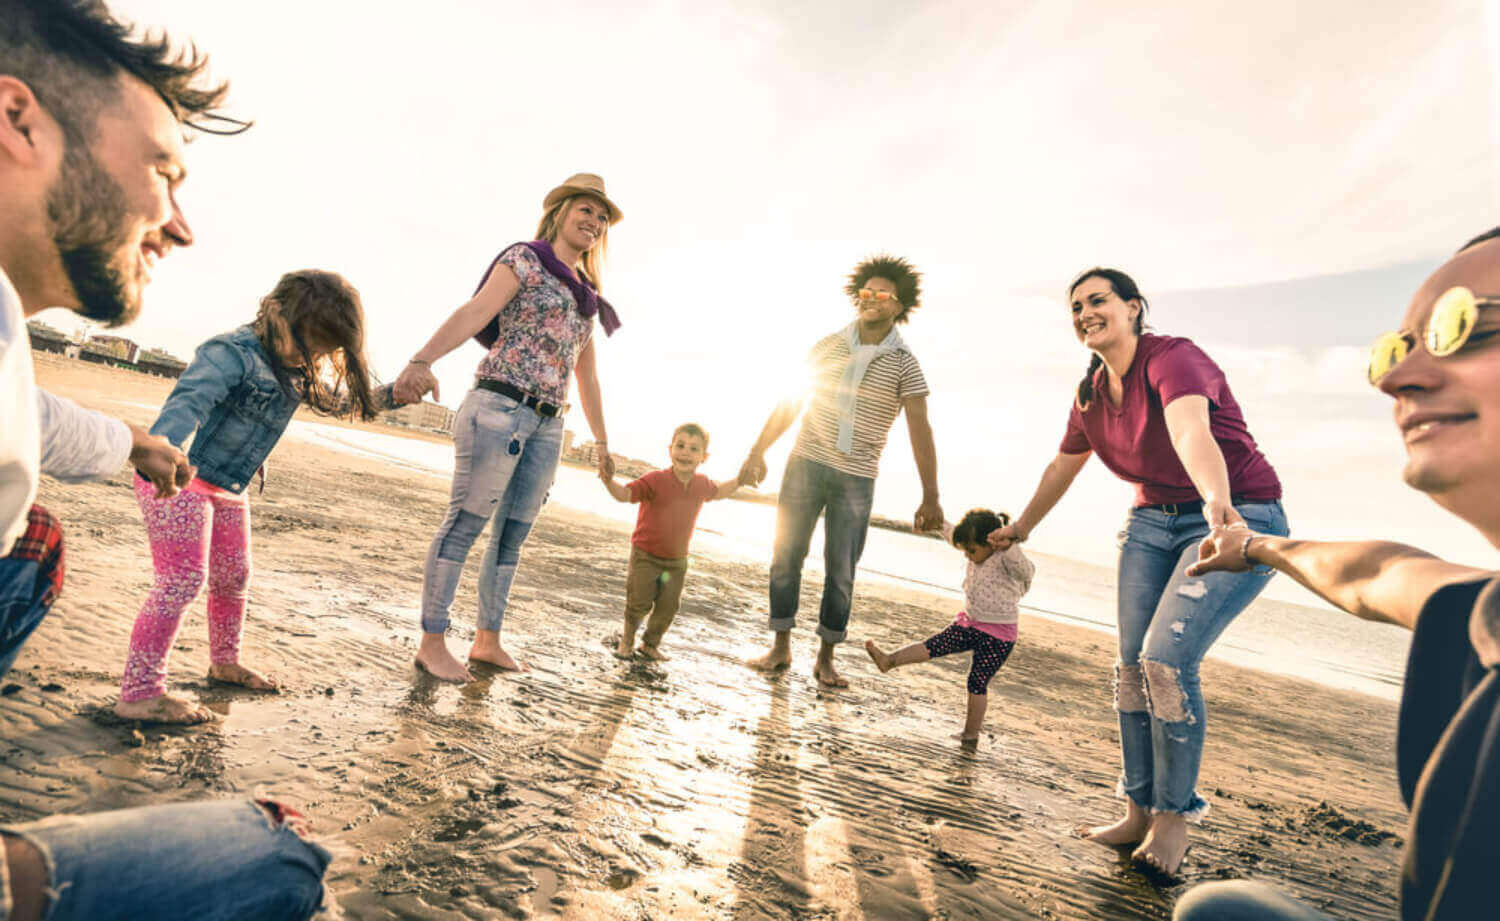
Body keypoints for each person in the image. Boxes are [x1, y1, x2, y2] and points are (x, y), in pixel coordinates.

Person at [0, 1, 330, 918]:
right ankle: (141, 693)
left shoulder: (6, 334)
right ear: (16, 122)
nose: (178, 225)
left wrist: (132, 445)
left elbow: (23, 412)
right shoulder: (232, 352)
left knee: (39, 542)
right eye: (162, 169)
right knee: (278, 861)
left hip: (185, 485)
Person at [1173, 228, 1500, 921]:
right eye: (1399, 346)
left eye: (1462, 325)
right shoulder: (1488, 609)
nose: (1395, 378)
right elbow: (1378, 571)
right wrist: (1257, 546)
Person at [988, 267, 1289, 875]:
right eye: (1076, 306)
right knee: (1130, 668)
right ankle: (1137, 810)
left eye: (1098, 301)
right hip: (1152, 523)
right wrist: (1019, 529)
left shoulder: (1172, 358)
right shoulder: (1090, 393)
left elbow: (1189, 429)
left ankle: (1173, 820)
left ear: (1133, 308)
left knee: (1165, 662)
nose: (1085, 313)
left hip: (1238, 513)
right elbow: (1061, 468)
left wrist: (1216, 504)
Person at [115, 269, 390, 724]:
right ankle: (140, 693)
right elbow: (189, 401)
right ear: (276, 314)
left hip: (228, 487)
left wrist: (396, 393)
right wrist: (166, 451)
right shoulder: (231, 354)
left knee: (234, 576)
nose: (312, 357)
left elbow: (338, 404)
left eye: (324, 351)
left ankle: (225, 662)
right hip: (176, 475)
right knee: (182, 579)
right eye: (309, 344)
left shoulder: (297, 370)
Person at [393, 173, 621, 682]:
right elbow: (477, 312)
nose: (595, 222)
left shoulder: (588, 294)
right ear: (560, 212)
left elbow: (587, 374)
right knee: (465, 524)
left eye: (602, 217)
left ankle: (486, 639)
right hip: (498, 407)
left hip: (548, 424)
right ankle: (433, 642)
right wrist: (422, 360)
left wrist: (602, 440)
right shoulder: (525, 258)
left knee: (512, 537)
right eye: (586, 209)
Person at [740, 255, 943, 688]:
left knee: (842, 569)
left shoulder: (905, 363)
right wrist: (758, 449)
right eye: (865, 292)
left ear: (898, 304)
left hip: (857, 476)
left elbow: (919, 428)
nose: (870, 299)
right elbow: (792, 401)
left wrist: (931, 494)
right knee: (785, 556)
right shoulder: (829, 345)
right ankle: (780, 648)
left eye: (882, 294)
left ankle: (826, 658)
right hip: (805, 464)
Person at [865, 507, 1034, 741]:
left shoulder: (1005, 557)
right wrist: (932, 521)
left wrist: (1011, 546)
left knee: (977, 681)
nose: (967, 555)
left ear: (991, 543)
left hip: (999, 636)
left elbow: (1027, 571)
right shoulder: (975, 547)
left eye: (971, 550)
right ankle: (889, 661)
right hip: (970, 625)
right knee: (932, 646)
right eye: (965, 549)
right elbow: (951, 533)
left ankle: (971, 733)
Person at [599, 423, 747, 660]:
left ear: (703, 457)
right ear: (670, 450)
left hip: (677, 561)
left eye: (693, 449)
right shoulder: (655, 479)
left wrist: (740, 479)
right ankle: (627, 641)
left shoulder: (702, 484)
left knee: (668, 607)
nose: (685, 452)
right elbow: (625, 495)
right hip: (645, 555)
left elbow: (719, 491)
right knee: (638, 602)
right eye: (680, 446)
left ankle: (650, 644)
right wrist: (608, 481)